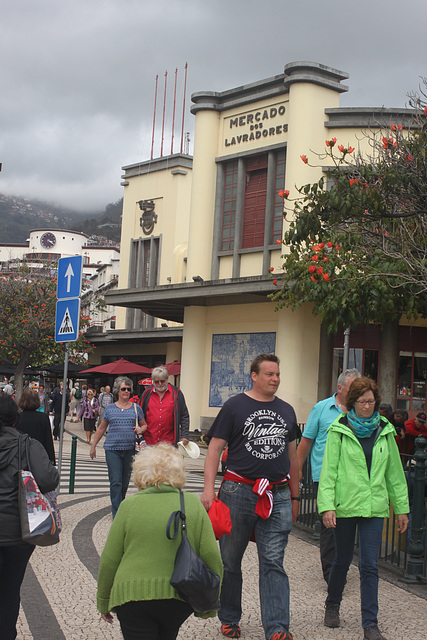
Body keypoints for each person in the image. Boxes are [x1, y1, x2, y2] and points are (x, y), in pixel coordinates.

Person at [201, 353, 300, 640]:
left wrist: (295, 497)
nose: (275, 379)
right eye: (269, 374)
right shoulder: (234, 406)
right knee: (231, 561)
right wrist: (208, 489)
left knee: (273, 561)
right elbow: (214, 449)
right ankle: (229, 617)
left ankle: (277, 627)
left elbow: (293, 458)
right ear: (254, 376)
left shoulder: (287, 411)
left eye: (278, 374)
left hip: (277, 493)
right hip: (238, 492)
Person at [97, 442, 223, 640]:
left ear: (139, 472)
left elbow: (110, 559)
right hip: (178, 598)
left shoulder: (129, 506)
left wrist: (103, 600)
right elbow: (212, 557)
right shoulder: (192, 504)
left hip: (132, 598)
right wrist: (208, 605)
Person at [318, 377, 409, 640]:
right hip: (345, 506)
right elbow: (329, 472)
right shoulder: (339, 429)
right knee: (342, 560)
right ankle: (332, 604)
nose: (368, 406)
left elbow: (395, 474)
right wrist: (326, 506)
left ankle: (370, 623)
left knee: (369, 565)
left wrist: (401, 507)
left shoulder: (386, 430)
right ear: (352, 403)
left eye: (372, 402)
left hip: (374, 507)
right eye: (363, 402)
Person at [0, 395, 59, 640]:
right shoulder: (27, 445)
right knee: (9, 591)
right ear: (16, 419)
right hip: (17, 534)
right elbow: (48, 479)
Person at [297, 368, 360, 583]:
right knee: (328, 524)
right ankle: (331, 575)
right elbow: (306, 441)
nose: (357, 393)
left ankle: (341, 566)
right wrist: (297, 470)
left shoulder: (360, 410)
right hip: (324, 477)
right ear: (340, 388)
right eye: (353, 388)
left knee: (348, 523)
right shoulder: (322, 409)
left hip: (352, 478)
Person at [90, 376, 147, 517]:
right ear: (117, 391)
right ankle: (117, 512)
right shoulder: (109, 409)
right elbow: (101, 428)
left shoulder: (136, 408)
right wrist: (93, 445)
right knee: (115, 481)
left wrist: (141, 429)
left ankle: (120, 505)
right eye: (123, 389)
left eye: (128, 389)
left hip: (130, 450)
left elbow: (144, 424)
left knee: (124, 481)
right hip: (112, 450)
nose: (126, 391)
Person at [139, 367, 190, 447]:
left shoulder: (176, 393)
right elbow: (139, 414)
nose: (159, 384)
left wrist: (184, 436)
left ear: (167, 379)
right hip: (149, 441)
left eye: (162, 381)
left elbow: (184, 416)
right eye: (156, 382)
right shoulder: (146, 393)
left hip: (169, 442)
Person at [18, 389, 56, 464]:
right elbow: (48, 439)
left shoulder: (17, 417)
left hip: (21, 456)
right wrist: (51, 460)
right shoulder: (43, 417)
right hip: (38, 455)